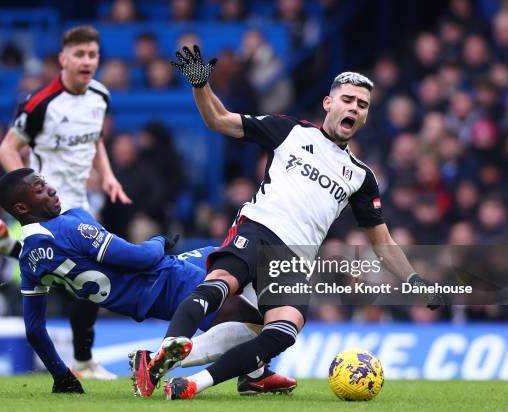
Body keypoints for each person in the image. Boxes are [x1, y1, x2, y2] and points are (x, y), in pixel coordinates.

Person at [143, 45, 445, 400]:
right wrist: (200, 85)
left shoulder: (362, 178)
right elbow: (219, 120)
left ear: (365, 117)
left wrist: (413, 280)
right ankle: (166, 351)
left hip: (294, 257)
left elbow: (382, 242)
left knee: (284, 329)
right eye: (348, 99)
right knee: (223, 281)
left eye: (362, 105)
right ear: (328, 103)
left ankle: (195, 384)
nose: (354, 108)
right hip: (259, 227)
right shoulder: (290, 131)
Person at [0, 168, 296, 395]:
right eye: (39, 189)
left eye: (46, 183)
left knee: (251, 266)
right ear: (21, 208)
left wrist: (62, 376)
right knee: (263, 323)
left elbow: (34, 329)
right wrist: (159, 240)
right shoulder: (70, 224)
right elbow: (141, 259)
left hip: (146, 297)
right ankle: (156, 362)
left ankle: (255, 374)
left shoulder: (29, 260)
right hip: (167, 278)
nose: (51, 190)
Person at [0, 25, 131, 380]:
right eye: (79, 55)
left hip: (81, 201)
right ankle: (83, 361)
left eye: (92, 55)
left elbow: (95, 138)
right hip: (48, 206)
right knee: (85, 277)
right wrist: (28, 192)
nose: (86, 61)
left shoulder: (100, 95)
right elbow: (7, 148)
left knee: (73, 278)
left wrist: (108, 174)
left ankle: (6, 244)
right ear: (62, 59)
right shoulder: (40, 103)